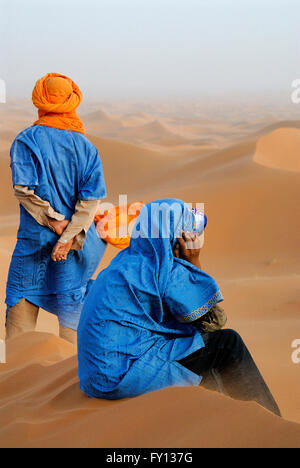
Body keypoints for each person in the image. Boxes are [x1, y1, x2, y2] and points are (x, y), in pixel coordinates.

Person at [78, 199, 281, 417]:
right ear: (177, 238)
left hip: (95, 375)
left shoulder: (125, 262)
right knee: (227, 344)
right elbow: (213, 322)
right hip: (120, 374)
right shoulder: (162, 271)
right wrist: (194, 261)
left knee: (194, 346)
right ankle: (268, 422)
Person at [5, 73, 107, 345]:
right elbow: (90, 201)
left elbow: (23, 191)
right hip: (74, 248)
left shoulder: (26, 141)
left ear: (40, 100)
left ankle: (15, 382)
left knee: (19, 328)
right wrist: (68, 235)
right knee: (71, 325)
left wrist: (55, 223)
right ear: (72, 103)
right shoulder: (87, 147)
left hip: (32, 246)